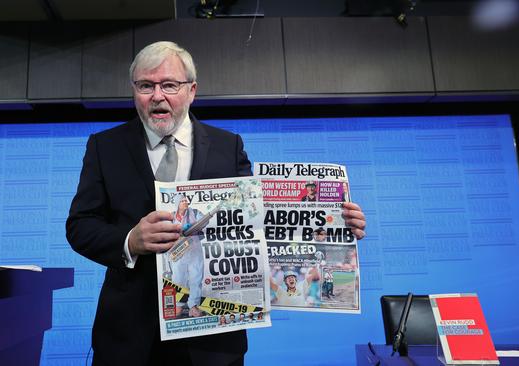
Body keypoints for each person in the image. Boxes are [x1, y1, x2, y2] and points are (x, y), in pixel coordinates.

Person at [66, 41, 367, 366]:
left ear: (192, 90)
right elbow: (80, 226)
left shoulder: (228, 146)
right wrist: (130, 241)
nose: (157, 96)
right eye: (145, 86)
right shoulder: (104, 146)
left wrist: (333, 225)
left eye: (169, 85)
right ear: (134, 91)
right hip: (129, 337)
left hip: (214, 340)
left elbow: (260, 225)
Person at [170, 195, 206, 318]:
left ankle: (193, 306)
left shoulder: (195, 212)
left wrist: (193, 226)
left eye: (186, 200)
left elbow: (204, 222)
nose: (185, 202)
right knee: (178, 278)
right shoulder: (171, 216)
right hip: (178, 252)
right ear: (177, 203)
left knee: (196, 278)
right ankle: (179, 304)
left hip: (194, 250)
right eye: (182, 201)